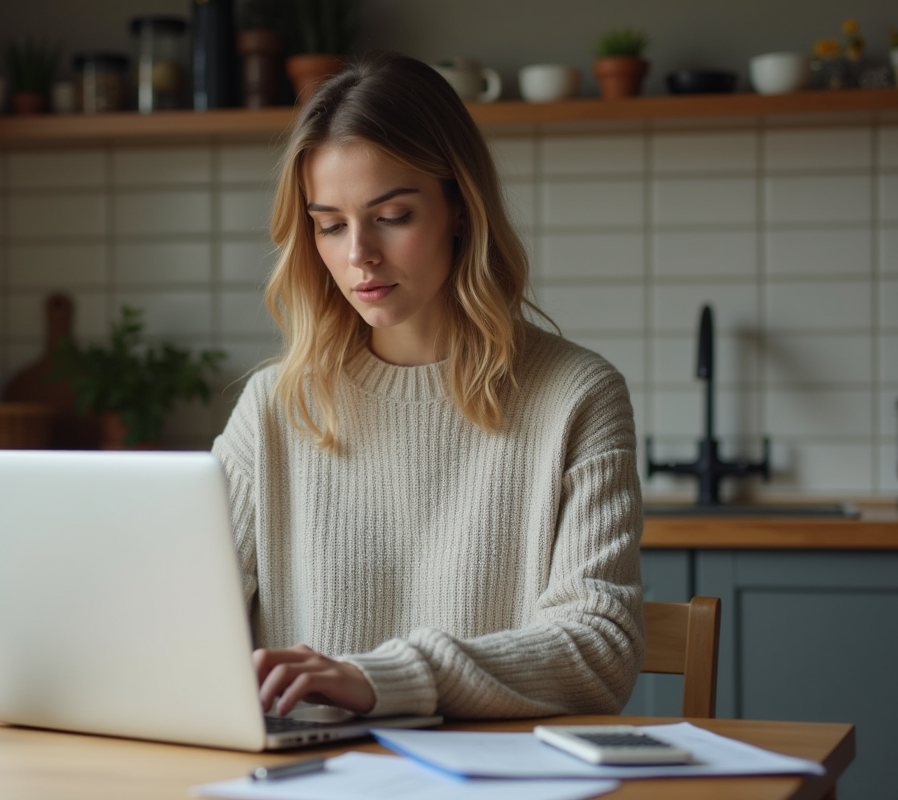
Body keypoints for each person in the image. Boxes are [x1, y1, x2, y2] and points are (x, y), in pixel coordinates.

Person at [211, 51, 644, 721]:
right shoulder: (273, 408)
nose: (359, 254)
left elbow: (600, 649)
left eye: (392, 216)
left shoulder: (577, 397)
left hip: (495, 772)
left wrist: (380, 678)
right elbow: (180, 618)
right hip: (308, 773)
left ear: (459, 209)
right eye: (330, 225)